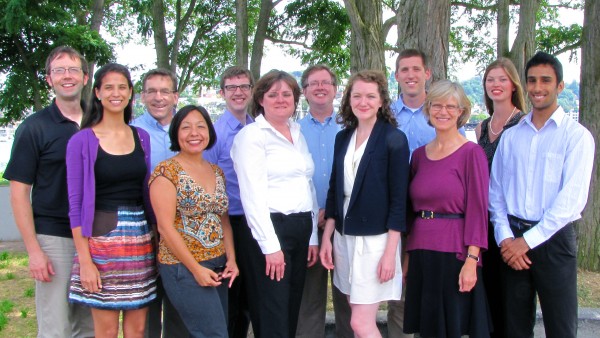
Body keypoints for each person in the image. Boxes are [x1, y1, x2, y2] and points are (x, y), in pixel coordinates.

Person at [489, 52, 595, 338]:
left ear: (560, 86)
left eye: (546, 81)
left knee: (561, 327)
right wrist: (505, 238)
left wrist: (526, 242)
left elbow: (571, 201)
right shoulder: (512, 137)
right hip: (512, 242)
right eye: (532, 80)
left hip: (554, 240)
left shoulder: (577, 137)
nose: (538, 87)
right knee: (514, 328)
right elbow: (495, 193)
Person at [3, 46, 95, 338]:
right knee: (56, 328)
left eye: (73, 70)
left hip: (96, 239)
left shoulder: (99, 123)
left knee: (90, 326)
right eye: (59, 70)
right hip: (55, 238)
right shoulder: (34, 128)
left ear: (84, 77)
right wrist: (33, 251)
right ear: (48, 80)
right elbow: (19, 194)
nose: (66, 76)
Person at [66, 63, 158, 338]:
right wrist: (85, 261)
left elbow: (145, 192)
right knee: (105, 331)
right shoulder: (82, 140)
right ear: (97, 93)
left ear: (131, 93)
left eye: (122, 87)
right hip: (100, 245)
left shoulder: (141, 137)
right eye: (108, 87)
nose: (115, 93)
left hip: (140, 242)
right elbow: (75, 204)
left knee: (138, 329)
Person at [320, 70, 410, 338]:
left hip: (376, 242)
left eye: (370, 96)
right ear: (349, 100)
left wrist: (390, 253)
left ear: (382, 100)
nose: (363, 102)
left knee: (360, 323)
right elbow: (335, 190)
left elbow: (398, 202)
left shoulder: (394, 139)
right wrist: (327, 237)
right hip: (344, 237)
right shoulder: (343, 138)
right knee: (355, 311)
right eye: (357, 95)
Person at [230, 70, 319, 338]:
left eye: (286, 94)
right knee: (272, 313)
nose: (280, 99)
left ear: (295, 99)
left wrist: (312, 235)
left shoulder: (297, 132)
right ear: (260, 100)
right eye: (273, 94)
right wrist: (270, 247)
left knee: (291, 308)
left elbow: (308, 185)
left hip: (300, 228)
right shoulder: (252, 136)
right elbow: (252, 196)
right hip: (269, 232)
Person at [403, 80, 491, 338]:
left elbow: (478, 210)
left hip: (455, 253)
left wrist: (472, 260)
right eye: (437, 105)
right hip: (421, 252)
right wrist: (408, 257)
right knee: (426, 329)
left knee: (450, 328)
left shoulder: (471, 154)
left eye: (451, 106)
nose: (443, 111)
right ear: (428, 109)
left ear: (462, 112)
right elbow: (412, 211)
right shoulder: (419, 155)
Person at [149, 105, 239, 337]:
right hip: (184, 267)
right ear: (176, 134)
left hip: (217, 264)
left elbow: (223, 219)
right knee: (215, 334)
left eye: (200, 126)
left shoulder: (216, 171)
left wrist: (232, 259)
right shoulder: (166, 172)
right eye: (186, 127)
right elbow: (165, 227)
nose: (194, 133)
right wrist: (195, 269)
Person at [131, 68, 188, 338]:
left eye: (165, 91)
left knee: (179, 304)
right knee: (147, 304)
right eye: (151, 91)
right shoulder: (131, 132)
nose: (158, 97)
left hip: (184, 230)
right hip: (143, 228)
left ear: (175, 96)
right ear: (142, 96)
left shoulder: (189, 130)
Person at [296, 64, 352, 338]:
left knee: (349, 297)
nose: (320, 87)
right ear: (304, 91)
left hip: (344, 222)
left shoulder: (352, 128)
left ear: (335, 89)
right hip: (306, 227)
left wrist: (331, 212)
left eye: (326, 83)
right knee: (309, 300)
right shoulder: (292, 131)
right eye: (313, 83)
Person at [475, 57, 526, 338]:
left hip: (511, 224)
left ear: (513, 85)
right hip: (485, 222)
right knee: (489, 293)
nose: (496, 84)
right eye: (490, 79)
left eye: (502, 79)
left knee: (512, 299)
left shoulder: (522, 125)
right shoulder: (481, 128)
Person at [203, 66, 254, 338]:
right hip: (229, 222)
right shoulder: (214, 134)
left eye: (244, 86)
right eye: (232, 88)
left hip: (258, 221)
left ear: (251, 91)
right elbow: (208, 182)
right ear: (222, 93)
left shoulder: (260, 128)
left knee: (250, 296)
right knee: (231, 296)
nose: (238, 92)